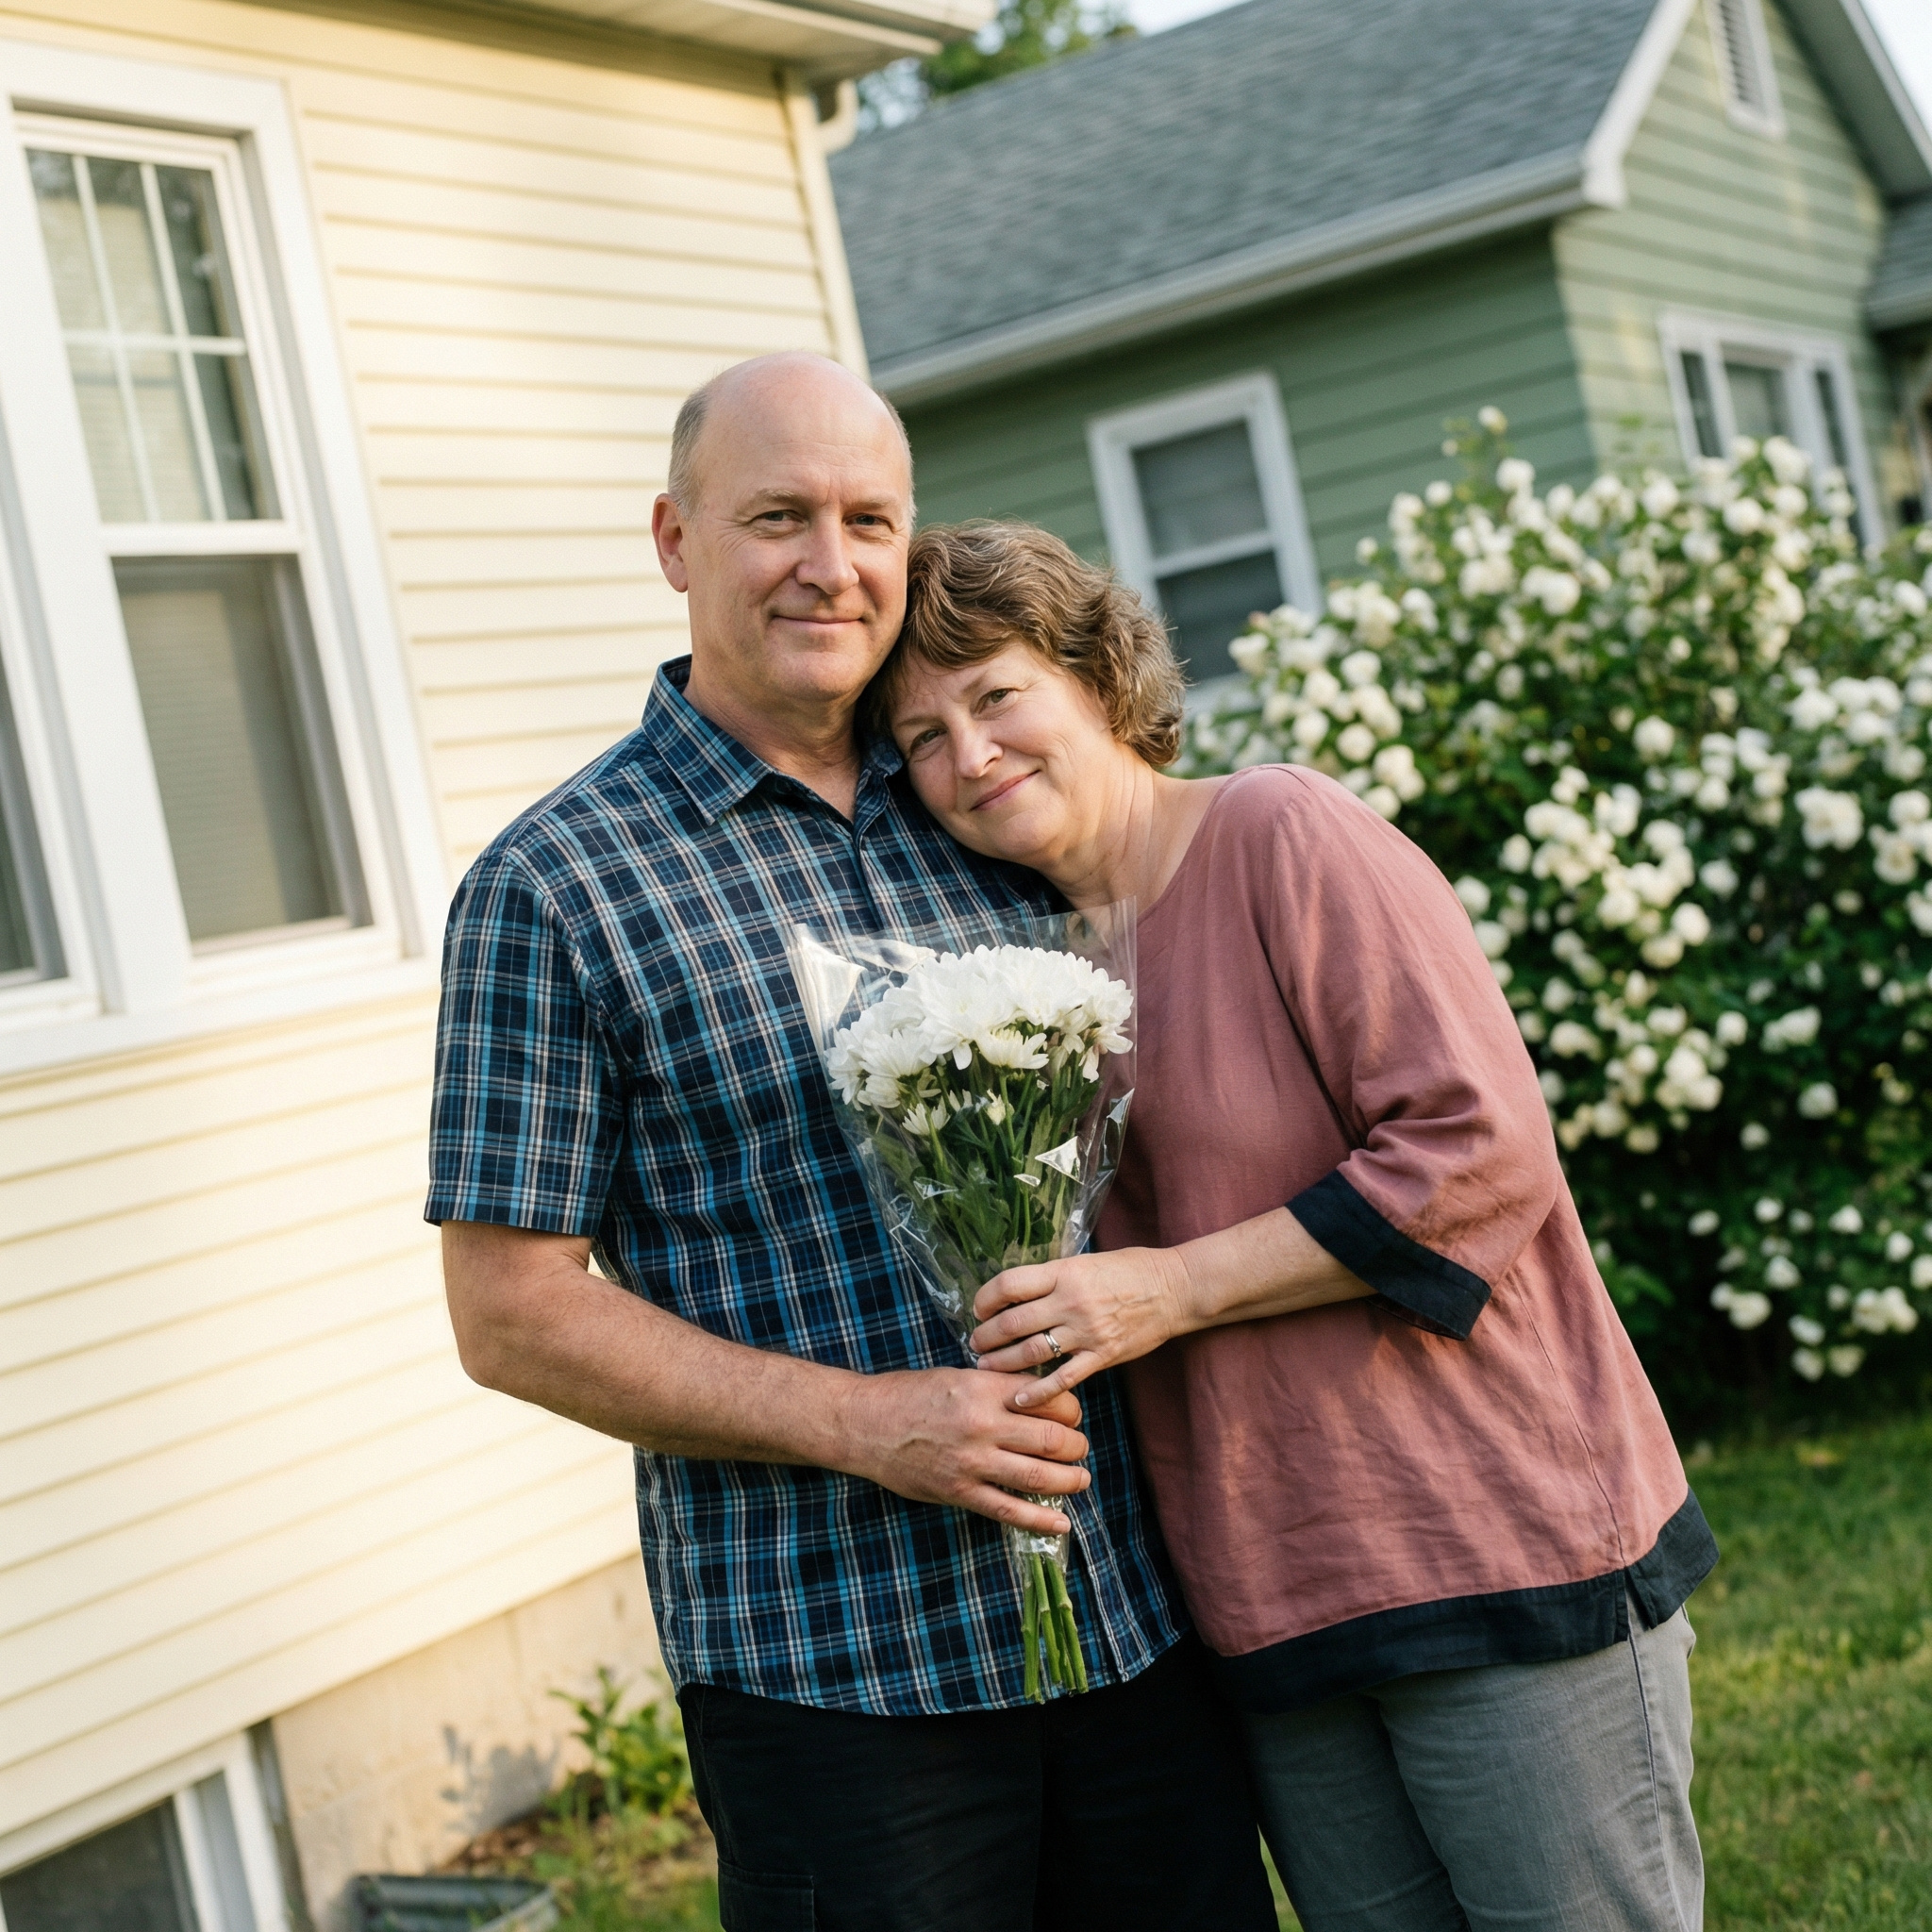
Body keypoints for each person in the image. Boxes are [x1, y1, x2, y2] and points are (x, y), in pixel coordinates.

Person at [426, 357, 1275, 1932]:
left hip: (1128, 1623)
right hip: (833, 1680)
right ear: (676, 543)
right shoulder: (553, 890)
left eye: (869, 518)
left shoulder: (986, 796)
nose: (834, 562)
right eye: (779, 519)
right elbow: (510, 1309)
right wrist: (867, 1423)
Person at [876, 519, 1720, 1932]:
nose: (968, 755)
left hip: (1490, 1542)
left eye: (997, 694)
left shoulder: (1279, 834)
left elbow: (1479, 1150)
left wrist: (1172, 1290)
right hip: (1270, 1600)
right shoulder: (1022, 982)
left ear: (1095, 673)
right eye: (920, 737)